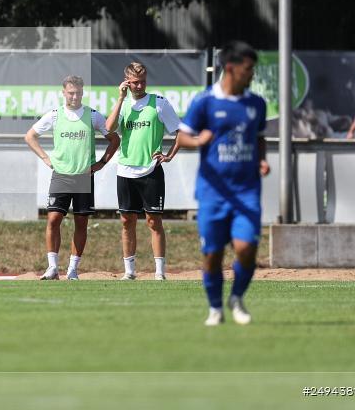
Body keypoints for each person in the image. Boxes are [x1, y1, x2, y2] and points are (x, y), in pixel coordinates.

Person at [176, 41, 269, 326]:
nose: (252, 74)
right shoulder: (205, 101)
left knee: (245, 248)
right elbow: (182, 138)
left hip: (247, 190)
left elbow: (259, 138)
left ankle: (237, 296)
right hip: (213, 192)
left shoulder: (256, 104)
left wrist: (261, 160)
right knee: (212, 254)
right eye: (248, 68)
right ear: (231, 68)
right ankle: (215, 308)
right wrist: (198, 140)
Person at [25, 75, 120, 280]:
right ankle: (52, 268)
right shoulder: (54, 115)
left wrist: (101, 163)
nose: (74, 96)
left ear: (83, 92)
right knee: (53, 219)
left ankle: (73, 269)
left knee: (81, 223)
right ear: (63, 92)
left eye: (78, 93)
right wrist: (46, 158)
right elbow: (30, 136)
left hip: (84, 177)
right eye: (71, 93)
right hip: (61, 175)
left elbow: (114, 139)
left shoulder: (93, 116)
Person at [105, 61, 181, 280]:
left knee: (153, 221)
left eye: (143, 82)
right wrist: (120, 98)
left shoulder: (159, 103)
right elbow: (109, 129)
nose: (139, 86)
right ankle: (129, 272)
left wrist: (168, 155)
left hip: (151, 171)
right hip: (125, 171)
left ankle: (160, 272)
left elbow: (180, 132)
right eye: (135, 82)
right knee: (127, 222)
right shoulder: (123, 104)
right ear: (127, 82)